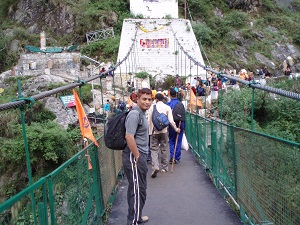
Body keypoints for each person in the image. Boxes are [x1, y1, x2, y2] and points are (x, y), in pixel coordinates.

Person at [123, 88, 152, 225]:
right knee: (136, 190)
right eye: (144, 99)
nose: (147, 102)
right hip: (134, 157)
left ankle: (137, 216)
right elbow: (129, 136)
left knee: (140, 189)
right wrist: (137, 156)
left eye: (149, 99)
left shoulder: (142, 113)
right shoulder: (135, 114)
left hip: (139, 156)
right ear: (137, 99)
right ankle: (133, 221)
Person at [148, 93, 180, 177]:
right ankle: (164, 168)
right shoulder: (167, 107)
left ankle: (155, 166)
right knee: (164, 148)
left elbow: (149, 120)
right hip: (164, 131)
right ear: (163, 99)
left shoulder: (152, 107)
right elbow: (171, 121)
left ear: (156, 99)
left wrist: (149, 132)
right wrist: (176, 129)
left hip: (154, 132)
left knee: (154, 149)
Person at [167, 88, 186, 164]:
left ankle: (172, 156)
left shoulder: (168, 104)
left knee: (171, 140)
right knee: (179, 140)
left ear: (170, 95)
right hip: (181, 123)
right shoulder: (180, 104)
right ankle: (177, 157)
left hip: (172, 124)